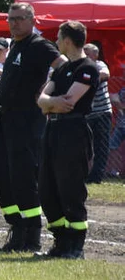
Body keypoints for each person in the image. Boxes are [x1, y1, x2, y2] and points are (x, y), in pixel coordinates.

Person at [0, 3, 65, 253]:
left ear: (32, 20)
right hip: (7, 122)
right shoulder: (16, 46)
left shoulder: (39, 44)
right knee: (3, 181)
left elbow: (64, 67)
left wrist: (49, 93)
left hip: (27, 123)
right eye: (11, 19)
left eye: (20, 19)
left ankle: (31, 236)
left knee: (23, 180)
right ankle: (17, 228)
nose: (14, 23)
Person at [35, 21, 98, 259]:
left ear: (69, 41)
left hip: (73, 132)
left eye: (59, 38)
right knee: (47, 187)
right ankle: (60, 242)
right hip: (53, 131)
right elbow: (42, 99)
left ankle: (76, 246)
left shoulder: (87, 68)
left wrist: (49, 103)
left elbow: (69, 103)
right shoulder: (61, 69)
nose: (57, 42)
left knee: (70, 187)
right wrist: (49, 103)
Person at [83, 42, 111, 184]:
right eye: (84, 52)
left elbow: (105, 74)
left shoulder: (99, 65)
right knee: (84, 145)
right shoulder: (80, 66)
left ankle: (96, 177)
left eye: (89, 53)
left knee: (101, 146)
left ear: (96, 55)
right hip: (86, 114)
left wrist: (87, 81)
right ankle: (82, 174)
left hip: (102, 112)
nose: (86, 56)